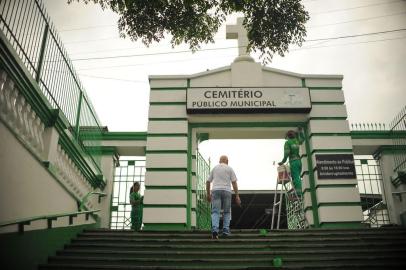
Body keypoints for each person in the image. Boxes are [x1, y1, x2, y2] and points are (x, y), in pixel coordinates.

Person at [206, 155, 241, 239]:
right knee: (227, 212)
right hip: (227, 191)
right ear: (227, 161)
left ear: (219, 161)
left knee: (215, 212)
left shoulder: (215, 168)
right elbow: (234, 183)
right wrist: (237, 196)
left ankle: (215, 230)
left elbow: (208, 182)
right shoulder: (229, 168)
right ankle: (225, 230)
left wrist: (208, 194)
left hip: (216, 190)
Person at [278, 127, 305, 197]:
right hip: (299, 162)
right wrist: (300, 132)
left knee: (295, 177)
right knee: (297, 177)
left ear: (288, 136)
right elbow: (302, 139)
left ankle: (298, 193)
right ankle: (297, 191)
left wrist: (282, 162)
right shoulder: (296, 140)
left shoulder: (288, 143)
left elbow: (287, 153)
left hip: (293, 162)